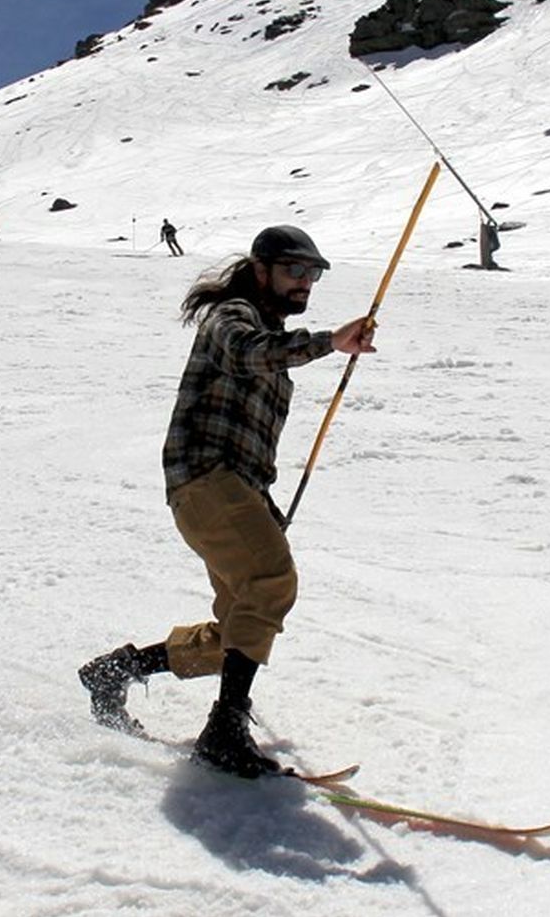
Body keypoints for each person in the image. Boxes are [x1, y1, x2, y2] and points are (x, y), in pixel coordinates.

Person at [78, 225, 376, 778]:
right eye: (294, 270)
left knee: (238, 628)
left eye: (313, 274)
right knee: (272, 582)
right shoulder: (232, 318)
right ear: (261, 269)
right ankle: (225, 728)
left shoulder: (267, 336)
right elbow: (246, 353)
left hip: (231, 488)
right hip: (204, 479)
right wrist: (328, 342)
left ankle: (117, 671)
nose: (305, 282)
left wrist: (261, 503)